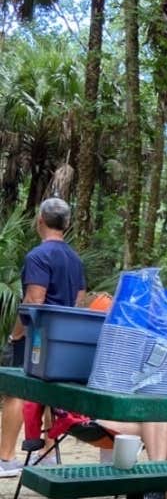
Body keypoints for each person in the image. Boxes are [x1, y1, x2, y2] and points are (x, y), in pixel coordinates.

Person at [0, 198, 86, 477]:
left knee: (15, 390)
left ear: (40, 220)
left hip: (39, 335)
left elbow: (34, 300)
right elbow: (79, 300)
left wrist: (17, 333)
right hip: (66, 337)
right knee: (52, 392)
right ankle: (47, 453)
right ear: (67, 224)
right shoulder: (75, 259)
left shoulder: (38, 256)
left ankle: (5, 457)